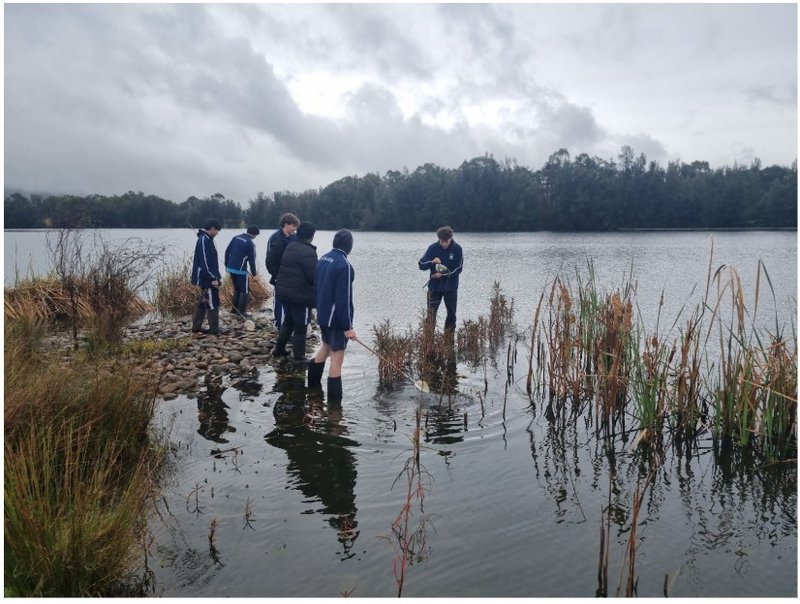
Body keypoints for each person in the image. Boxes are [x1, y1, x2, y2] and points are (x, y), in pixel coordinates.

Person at [307, 229, 357, 402]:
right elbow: (344, 299)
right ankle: (335, 406)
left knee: (325, 347)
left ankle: (312, 388)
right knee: (337, 357)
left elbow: (317, 288)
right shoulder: (344, 265)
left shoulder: (323, 259)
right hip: (336, 320)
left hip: (322, 314)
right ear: (349, 246)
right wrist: (348, 327)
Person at [273, 222, 317, 362]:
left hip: (284, 291)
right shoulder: (309, 252)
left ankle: (278, 350)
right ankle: (299, 357)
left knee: (288, 321)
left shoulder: (290, 246)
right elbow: (312, 277)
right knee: (301, 326)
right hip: (300, 296)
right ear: (311, 236)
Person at [418, 225, 463, 332]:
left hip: (451, 288)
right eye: (442, 241)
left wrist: (442, 275)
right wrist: (432, 262)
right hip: (434, 288)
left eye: (446, 241)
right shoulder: (432, 248)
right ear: (439, 239)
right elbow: (421, 265)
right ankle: (429, 338)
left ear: (451, 238)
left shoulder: (457, 249)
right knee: (431, 315)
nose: (444, 244)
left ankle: (449, 339)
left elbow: (458, 269)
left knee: (451, 315)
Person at [265, 212, 300, 329]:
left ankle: (289, 324)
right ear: (286, 224)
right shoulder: (275, 238)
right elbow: (269, 260)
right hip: (279, 276)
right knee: (279, 300)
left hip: (292, 276)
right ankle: (278, 325)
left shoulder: (294, 237)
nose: (295, 229)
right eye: (293, 226)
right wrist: (276, 275)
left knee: (291, 301)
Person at [191, 219, 225, 335]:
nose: (217, 233)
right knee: (213, 301)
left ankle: (196, 327)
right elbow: (204, 261)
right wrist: (212, 278)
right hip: (206, 277)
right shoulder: (203, 240)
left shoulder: (207, 239)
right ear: (212, 228)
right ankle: (214, 328)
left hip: (208, 276)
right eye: (217, 230)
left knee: (203, 302)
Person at [224, 225, 260, 318]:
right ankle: (242, 312)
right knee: (244, 290)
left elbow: (227, 251)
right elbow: (252, 260)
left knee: (237, 288)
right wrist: (254, 274)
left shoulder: (236, 237)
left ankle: (234, 310)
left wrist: (227, 265)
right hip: (241, 270)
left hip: (231, 268)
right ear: (254, 234)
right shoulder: (250, 243)